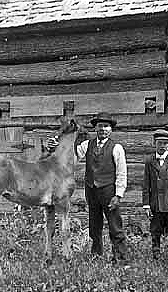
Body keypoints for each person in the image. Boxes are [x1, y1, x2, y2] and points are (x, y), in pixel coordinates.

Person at [46, 112, 128, 264]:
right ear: (95, 128)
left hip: (108, 191)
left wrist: (118, 195)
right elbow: (71, 158)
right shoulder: (87, 145)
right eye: (100, 126)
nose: (103, 129)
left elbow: (122, 173)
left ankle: (120, 257)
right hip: (92, 190)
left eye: (106, 126)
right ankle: (97, 255)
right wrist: (54, 147)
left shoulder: (117, 148)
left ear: (111, 129)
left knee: (115, 225)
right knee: (94, 225)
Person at [142, 129, 168, 259]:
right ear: (154, 143)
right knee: (155, 231)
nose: (162, 146)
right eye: (159, 143)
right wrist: (146, 205)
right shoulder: (149, 161)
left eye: (165, 143)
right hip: (155, 204)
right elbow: (146, 184)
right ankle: (156, 255)